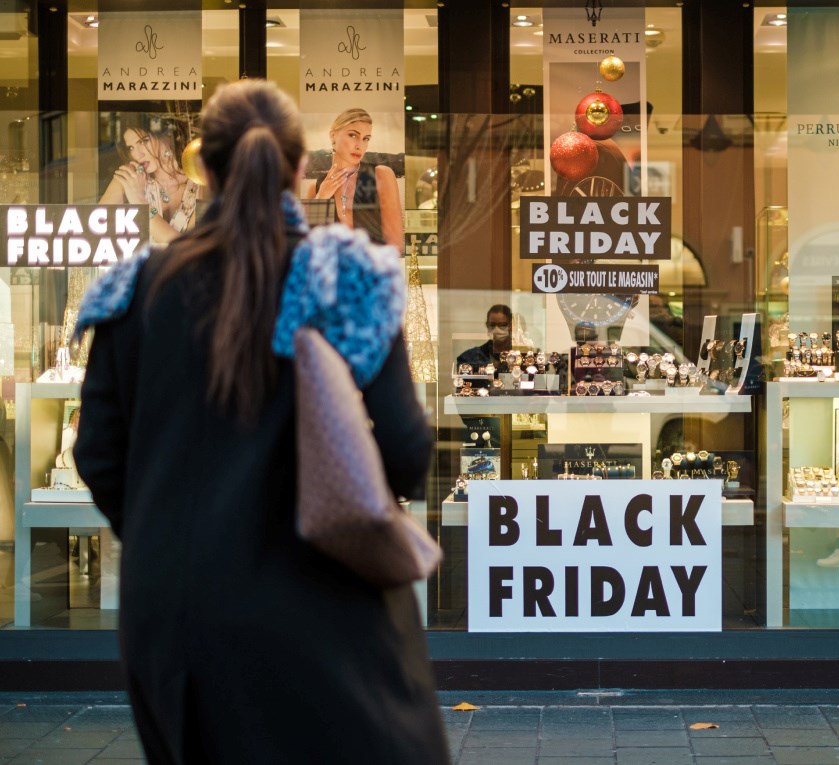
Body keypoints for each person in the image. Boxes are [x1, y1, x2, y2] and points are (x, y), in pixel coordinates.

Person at [72, 80, 449, 763]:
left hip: (174, 616)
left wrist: (174, 531)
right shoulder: (347, 276)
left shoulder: (133, 289)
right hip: (325, 611)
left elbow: (97, 455)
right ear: (301, 167)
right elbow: (405, 455)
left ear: (205, 171)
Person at [302, 108, 404, 248]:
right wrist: (322, 197)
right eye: (353, 135)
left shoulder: (381, 175)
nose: (359, 145)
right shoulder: (316, 188)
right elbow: (309, 245)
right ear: (333, 136)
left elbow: (395, 244)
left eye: (365, 138)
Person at [98, 114, 200, 244]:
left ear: (168, 135)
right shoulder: (131, 177)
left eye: (143, 141)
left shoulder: (198, 183)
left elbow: (185, 246)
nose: (137, 154)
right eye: (131, 148)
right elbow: (96, 226)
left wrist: (140, 202)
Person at [456, 304, 514, 371]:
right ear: (487, 325)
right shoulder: (469, 358)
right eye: (492, 325)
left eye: (502, 325)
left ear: (511, 326)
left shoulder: (521, 356)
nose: (497, 329)